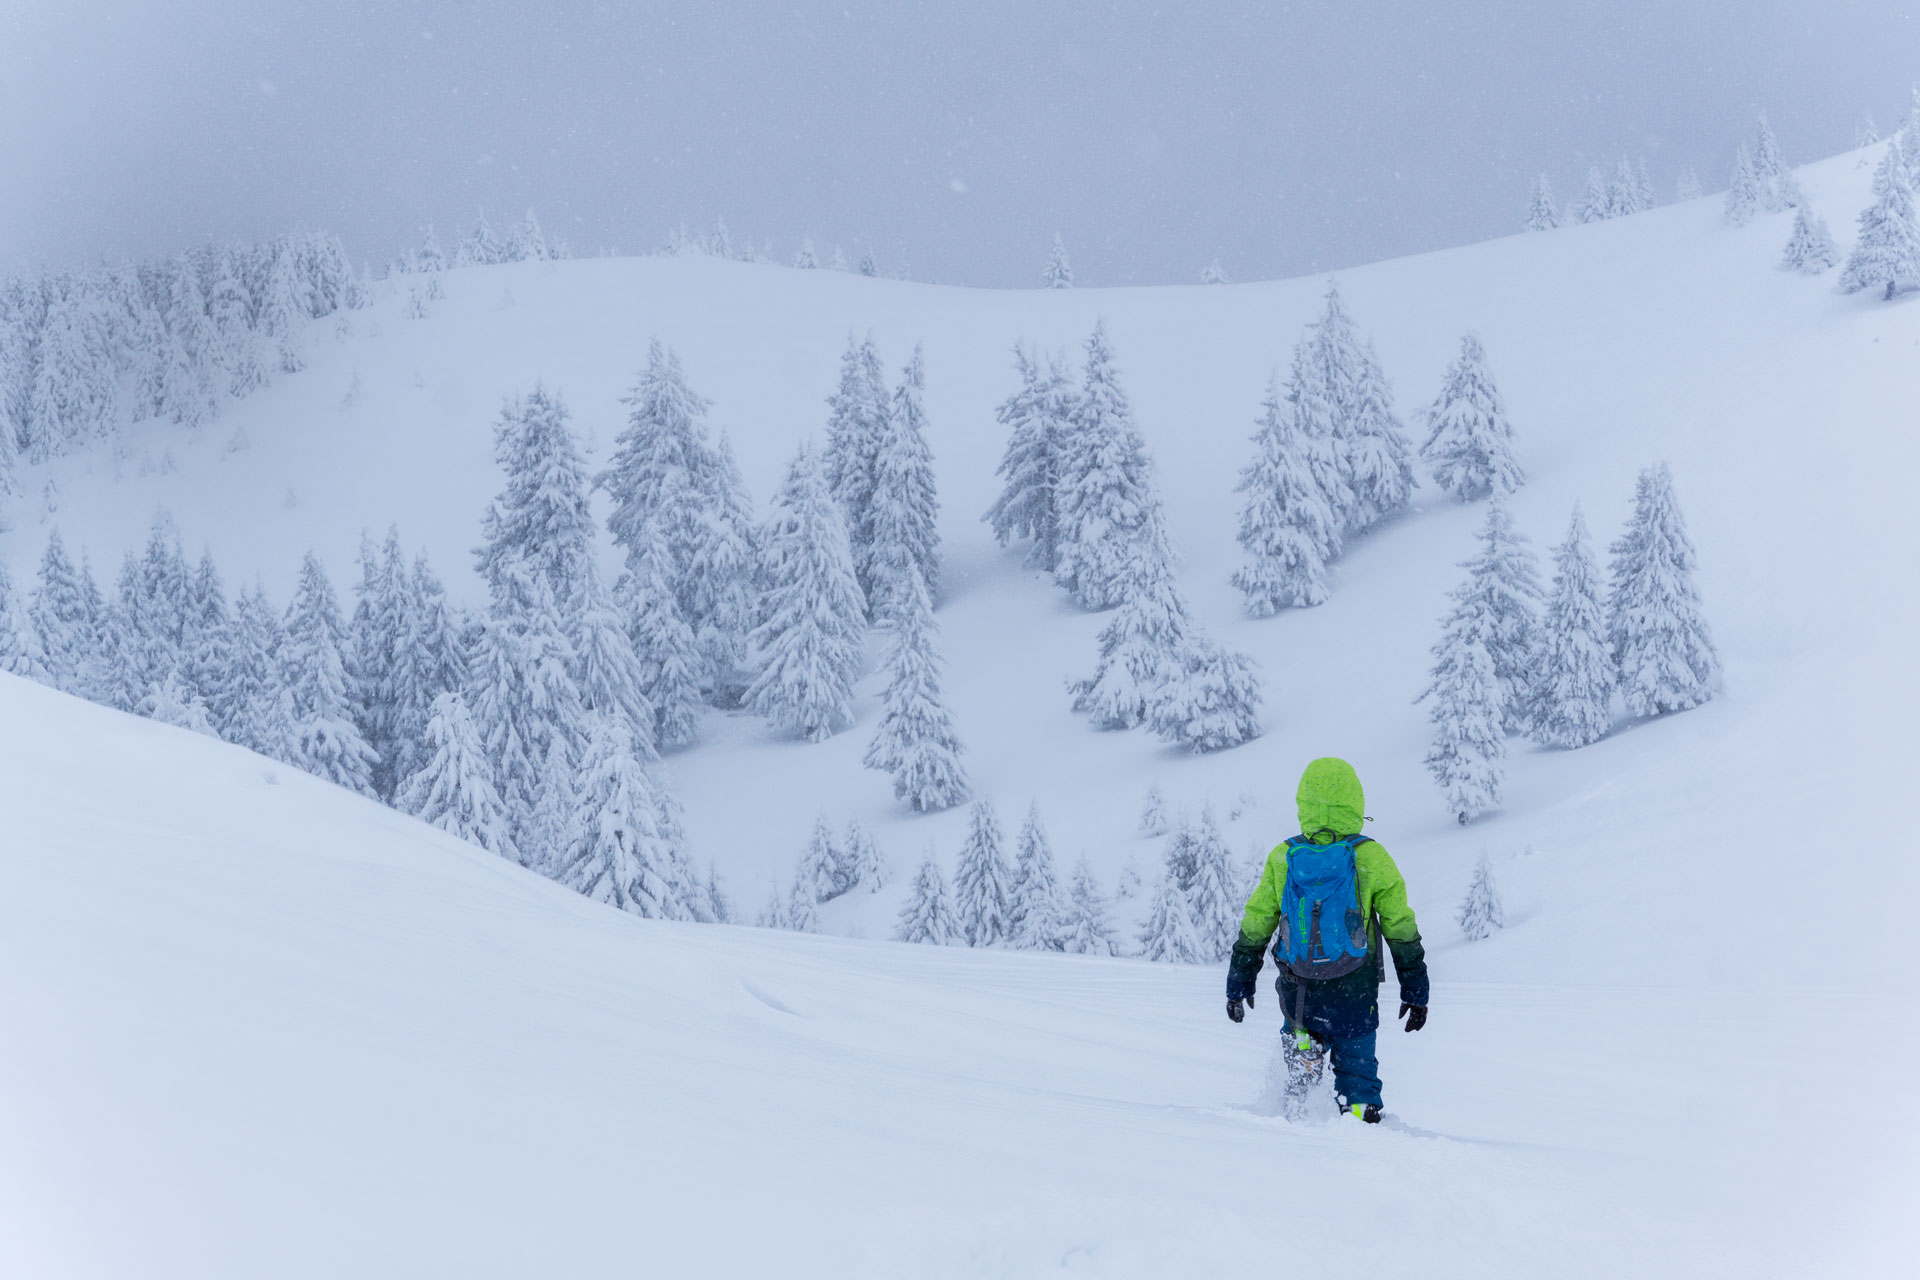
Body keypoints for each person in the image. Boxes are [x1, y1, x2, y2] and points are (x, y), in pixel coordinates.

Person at [1225, 757, 1428, 1122]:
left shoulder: (1285, 857)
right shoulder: (1371, 857)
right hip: (1355, 995)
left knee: (1301, 1084)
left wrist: (1239, 981)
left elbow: (1258, 921)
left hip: (1299, 995)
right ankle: (1361, 1120)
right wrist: (1415, 989)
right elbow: (1399, 925)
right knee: (1358, 1080)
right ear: (1355, 801)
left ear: (1303, 801)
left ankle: (1296, 1139)